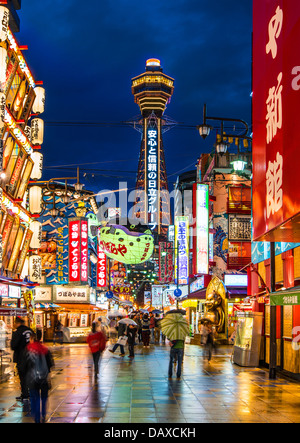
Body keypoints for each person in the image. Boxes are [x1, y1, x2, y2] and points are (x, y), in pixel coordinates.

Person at [25, 329, 54, 423]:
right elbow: (50, 364)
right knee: (44, 397)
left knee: (35, 397)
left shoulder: (28, 349)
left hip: (33, 378)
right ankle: (44, 415)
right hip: (44, 377)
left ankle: (37, 417)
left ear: (32, 338)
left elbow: (24, 365)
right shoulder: (45, 349)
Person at [11, 317, 34, 402]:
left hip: (22, 357)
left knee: (23, 376)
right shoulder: (30, 330)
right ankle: (32, 393)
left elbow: (13, 345)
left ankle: (25, 395)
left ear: (17, 323)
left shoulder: (18, 332)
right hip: (32, 356)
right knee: (31, 375)